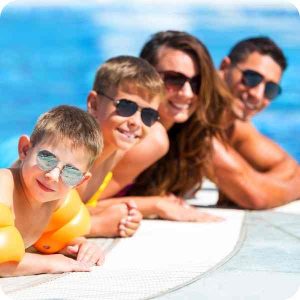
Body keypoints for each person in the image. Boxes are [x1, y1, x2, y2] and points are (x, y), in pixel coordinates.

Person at [96, 31, 233, 221]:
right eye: (174, 79)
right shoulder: (152, 136)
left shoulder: (182, 136)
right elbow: (83, 205)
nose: (187, 93)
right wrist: (156, 204)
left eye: (196, 82)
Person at [0, 105, 104, 277]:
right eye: (47, 159)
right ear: (25, 149)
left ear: (80, 181)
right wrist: (48, 263)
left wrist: (79, 245)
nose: (53, 176)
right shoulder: (4, 186)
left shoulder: (58, 201)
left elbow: (55, 238)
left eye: (70, 172)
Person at [76, 55, 166, 235]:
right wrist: (96, 225)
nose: (136, 122)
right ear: (93, 104)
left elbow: (76, 208)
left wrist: (124, 214)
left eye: (148, 115)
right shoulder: (73, 156)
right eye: (126, 107)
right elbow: (29, 222)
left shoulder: (114, 151)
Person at [213, 36, 300, 209]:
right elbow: (255, 197)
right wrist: (259, 185)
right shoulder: (195, 118)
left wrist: (258, 183)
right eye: (252, 78)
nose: (258, 95)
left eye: (270, 89)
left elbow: (290, 167)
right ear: (224, 67)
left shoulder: (235, 126)